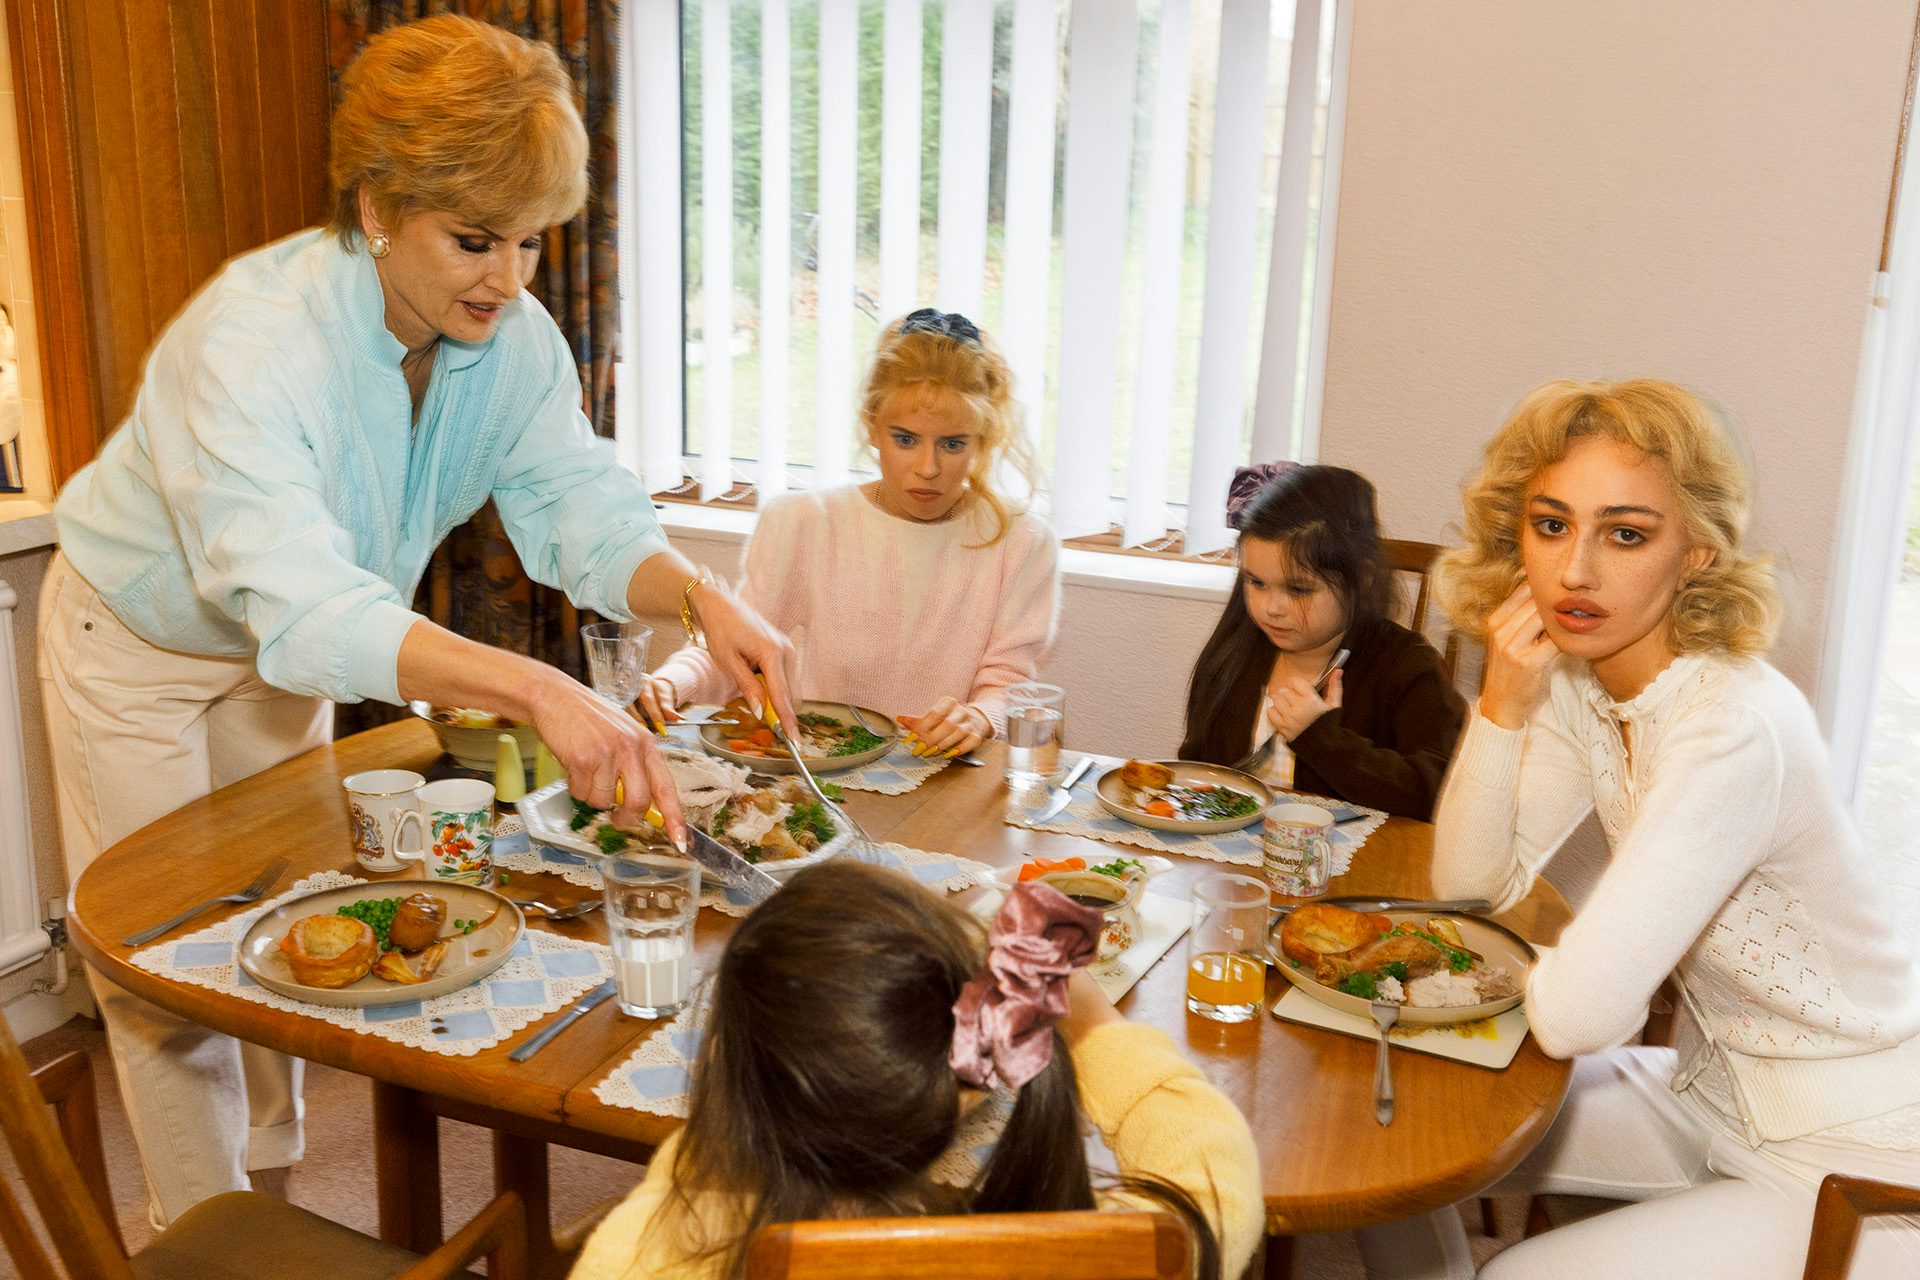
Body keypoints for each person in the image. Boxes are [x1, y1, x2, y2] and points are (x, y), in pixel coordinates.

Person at [38, 15, 793, 1226]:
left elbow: (582, 510)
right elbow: (305, 601)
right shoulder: (253, 341)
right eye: (475, 239)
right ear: (377, 206)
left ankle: (272, 1188)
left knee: (280, 921)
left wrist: (706, 594)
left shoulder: (512, 339)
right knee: (162, 965)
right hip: (141, 646)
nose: (509, 278)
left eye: (534, 243)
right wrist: (540, 687)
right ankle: (204, 1232)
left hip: (287, 653)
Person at [1409, 379, 1920, 1279]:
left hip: (1857, 1159)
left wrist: (1542, 966)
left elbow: (1579, 1017)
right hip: (1705, 1095)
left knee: (1513, 1277)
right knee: (1415, 1143)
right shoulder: (1583, 680)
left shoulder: (1733, 728)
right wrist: (1500, 705)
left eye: (1627, 534)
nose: (1574, 572)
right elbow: (1467, 889)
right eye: (1551, 523)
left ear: (1697, 555)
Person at [569, 862, 1264, 1280]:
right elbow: (1213, 1178)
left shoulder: (644, 1256)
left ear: (726, 1065)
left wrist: (713, 1133)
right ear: (963, 1093)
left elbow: (682, 1188)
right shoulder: (1099, 1259)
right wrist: (1098, 1028)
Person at [642, 309, 1059, 759]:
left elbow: (1008, 682)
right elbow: (738, 651)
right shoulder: (803, 522)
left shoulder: (1021, 541)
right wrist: (671, 682)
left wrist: (980, 716)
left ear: (984, 439)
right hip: (823, 772)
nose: (928, 467)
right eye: (905, 439)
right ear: (872, 429)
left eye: (952, 444)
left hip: (947, 777)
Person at [1178, 464, 1465, 820]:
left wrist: (1323, 739)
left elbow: (1439, 795)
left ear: (1362, 578)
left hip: (1353, 866)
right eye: (1256, 582)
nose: (1271, 608)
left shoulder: (1407, 667)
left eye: (1298, 589)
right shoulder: (1237, 651)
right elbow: (1197, 765)